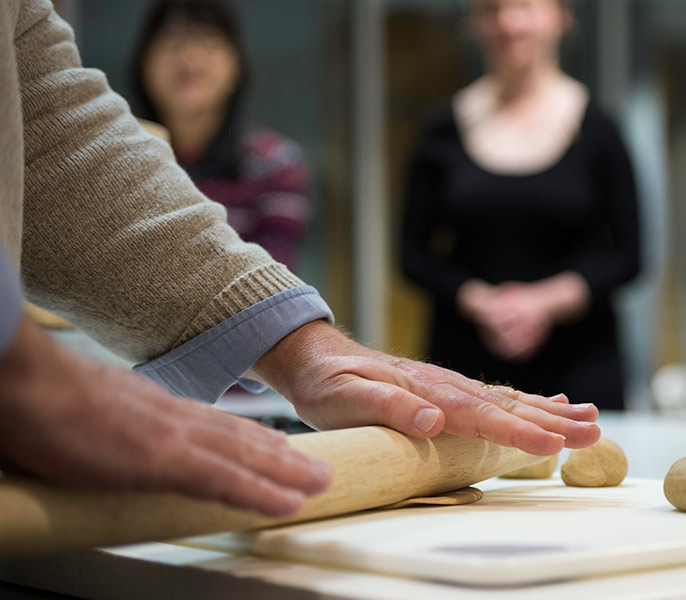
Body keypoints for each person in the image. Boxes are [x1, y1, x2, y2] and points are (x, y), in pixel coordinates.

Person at [0, 0, 600, 518]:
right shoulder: (444, 132)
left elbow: (44, 126)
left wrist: (299, 346)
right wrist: (20, 368)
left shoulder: (270, 161)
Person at [400, 0, 641, 411]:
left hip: (580, 365)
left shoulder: (599, 129)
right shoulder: (441, 129)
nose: (508, 22)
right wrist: (485, 303)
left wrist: (541, 303)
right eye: (491, 9)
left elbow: (629, 255)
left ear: (561, 17)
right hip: (465, 367)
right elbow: (412, 256)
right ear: (474, 24)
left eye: (525, 6)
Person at [130, 0, 309, 271]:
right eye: (172, 41)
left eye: (208, 40)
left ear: (237, 64)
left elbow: (274, 281)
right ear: (144, 62)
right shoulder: (119, 161)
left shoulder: (275, 163)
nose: (190, 59)